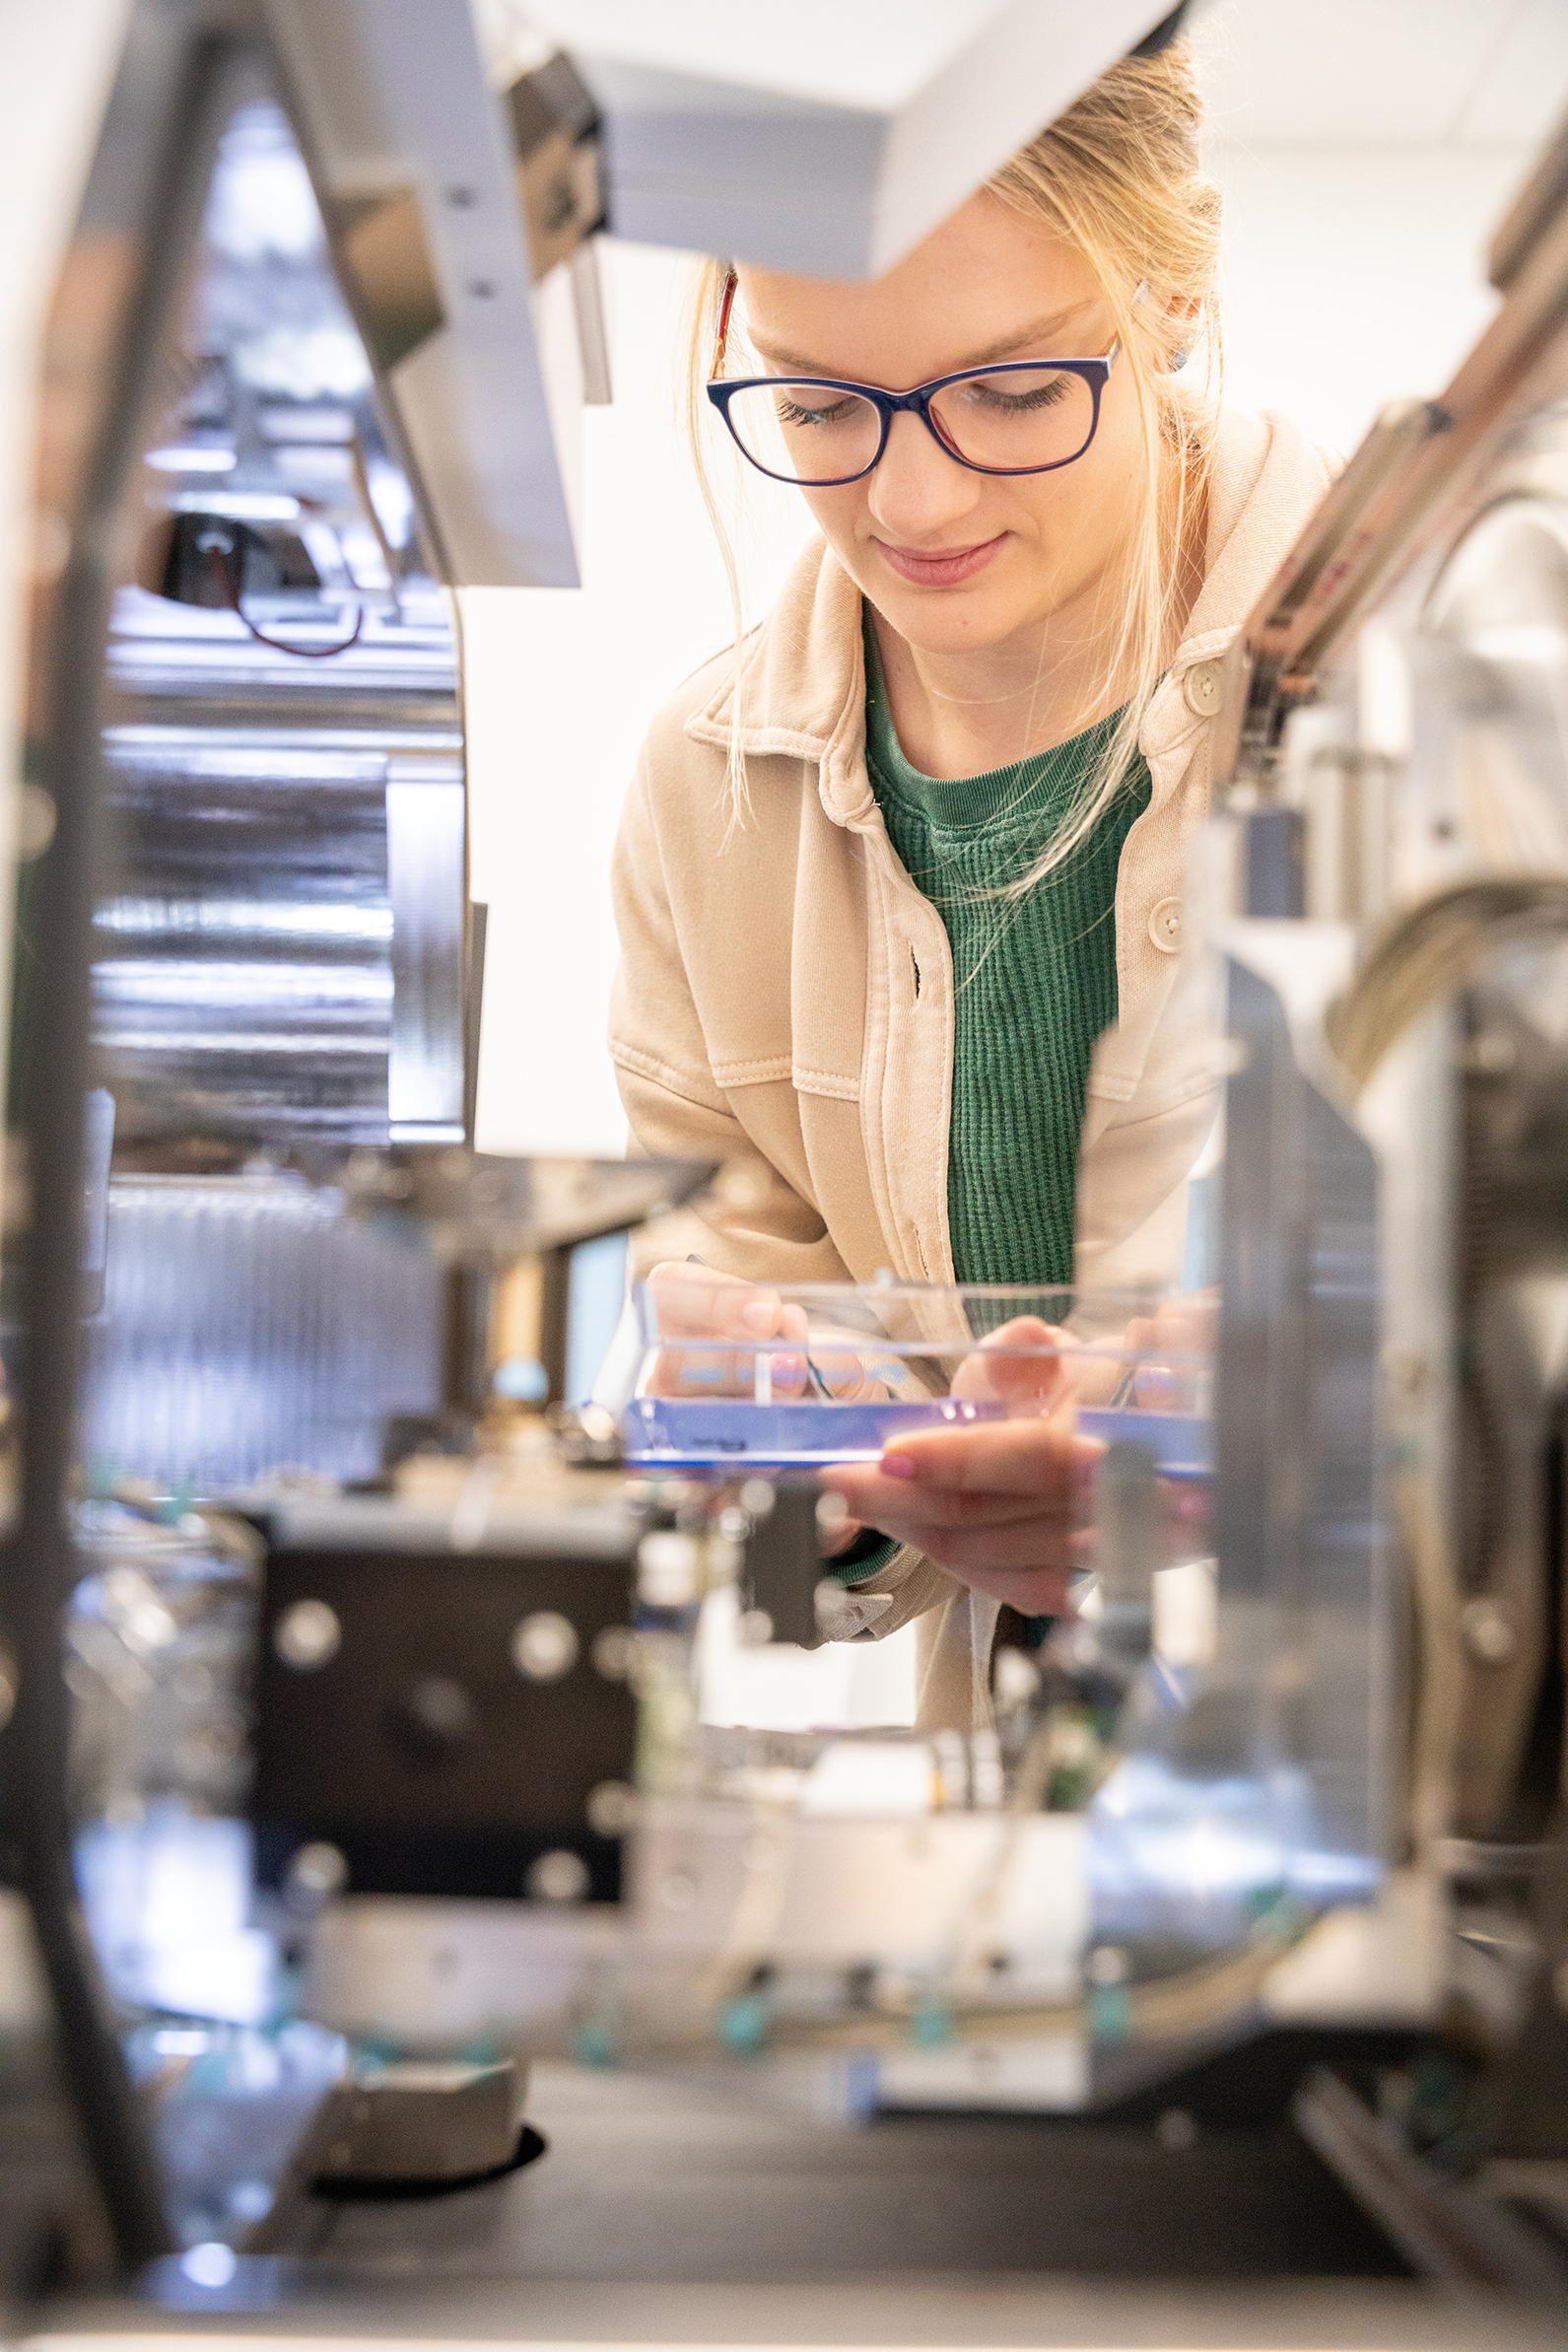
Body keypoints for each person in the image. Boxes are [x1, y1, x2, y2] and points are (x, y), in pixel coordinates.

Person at [607, 38, 1337, 1730]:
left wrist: (1316, 1418)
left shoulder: (1457, 657)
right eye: (817, 406)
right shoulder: (708, 785)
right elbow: (792, 1538)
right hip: (1031, 1761)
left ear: (1168, 303)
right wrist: (789, 1460)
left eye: (1011, 392)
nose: (911, 498)